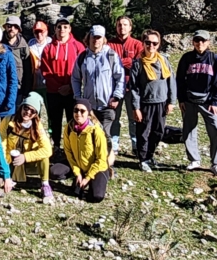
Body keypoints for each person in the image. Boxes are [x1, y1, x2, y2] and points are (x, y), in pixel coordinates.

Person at [0, 92, 68, 204]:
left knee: (44, 157)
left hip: (28, 163)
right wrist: (4, 169)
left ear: (36, 114)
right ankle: (7, 177)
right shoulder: (7, 121)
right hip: (9, 162)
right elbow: (2, 145)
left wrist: (25, 157)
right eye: (26, 108)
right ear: (21, 107)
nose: (28, 112)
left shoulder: (37, 126)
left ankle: (45, 185)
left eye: (33, 111)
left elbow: (47, 150)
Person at [71, 24, 124, 168]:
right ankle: (91, 164)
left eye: (99, 37)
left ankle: (107, 166)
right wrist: (78, 97)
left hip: (107, 105)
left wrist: (117, 96)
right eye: (93, 37)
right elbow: (75, 78)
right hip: (89, 108)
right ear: (89, 38)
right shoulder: (82, 57)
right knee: (90, 135)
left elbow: (120, 77)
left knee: (105, 137)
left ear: (103, 39)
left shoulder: (111, 56)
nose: (96, 40)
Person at [176, 30, 217, 176]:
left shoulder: (214, 59)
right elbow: (179, 80)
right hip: (189, 100)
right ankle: (194, 160)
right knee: (189, 130)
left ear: (208, 42)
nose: (200, 44)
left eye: (203, 41)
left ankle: (216, 163)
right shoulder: (186, 58)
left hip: (208, 101)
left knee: (216, 129)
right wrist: (181, 100)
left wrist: (215, 102)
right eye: (197, 40)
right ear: (193, 42)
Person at [130, 29, 177, 172]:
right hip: (145, 103)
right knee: (143, 132)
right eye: (148, 42)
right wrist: (136, 107)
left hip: (161, 103)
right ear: (143, 43)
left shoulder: (164, 60)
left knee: (158, 131)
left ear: (159, 44)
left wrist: (171, 102)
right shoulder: (138, 64)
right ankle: (143, 159)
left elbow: (171, 82)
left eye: (155, 43)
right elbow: (134, 87)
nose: (151, 46)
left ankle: (150, 156)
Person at [40, 18, 85, 151]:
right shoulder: (48, 48)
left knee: (73, 118)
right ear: (55, 29)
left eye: (65, 27)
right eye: (59, 27)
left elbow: (82, 70)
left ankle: (73, 145)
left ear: (70, 29)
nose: (62, 30)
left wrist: (70, 87)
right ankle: (56, 145)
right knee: (55, 119)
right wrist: (58, 88)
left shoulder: (78, 47)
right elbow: (45, 70)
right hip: (54, 91)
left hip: (72, 91)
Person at [108, 16, 144, 155]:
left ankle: (135, 145)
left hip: (132, 86)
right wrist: (129, 61)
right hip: (114, 87)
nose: (122, 27)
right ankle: (114, 145)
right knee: (114, 117)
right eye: (119, 25)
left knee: (133, 117)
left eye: (125, 25)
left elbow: (138, 63)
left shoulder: (137, 44)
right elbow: (109, 64)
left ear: (130, 27)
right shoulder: (110, 44)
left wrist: (120, 62)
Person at [64, 98, 110, 203]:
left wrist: (87, 177)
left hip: (97, 168)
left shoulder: (96, 131)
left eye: (82, 111)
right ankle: (77, 180)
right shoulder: (69, 128)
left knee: (96, 196)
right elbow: (68, 152)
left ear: (88, 113)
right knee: (55, 172)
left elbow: (101, 159)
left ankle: (94, 181)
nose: (78, 114)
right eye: (76, 110)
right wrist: (77, 173)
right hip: (80, 167)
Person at [2, 16, 34, 103]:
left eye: (15, 26)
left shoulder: (23, 46)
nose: (12, 29)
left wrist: (26, 91)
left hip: (18, 87)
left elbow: (28, 70)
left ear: (19, 29)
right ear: (5, 27)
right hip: (1, 86)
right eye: (9, 26)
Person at [28, 21, 51, 103]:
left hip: (49, 85)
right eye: (36, 32)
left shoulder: (52, 45)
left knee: (52, 111)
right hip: (35, 84)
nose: (39, 34)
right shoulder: (29, 46)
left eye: (41, 31)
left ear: (46, 32)